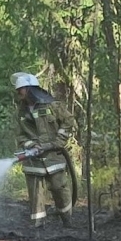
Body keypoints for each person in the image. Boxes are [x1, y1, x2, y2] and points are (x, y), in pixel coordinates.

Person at [10, 72, 77, 228]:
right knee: (36, 193)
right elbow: (19, 135)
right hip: (33, 161)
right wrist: (30, 145)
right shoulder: (21, 111)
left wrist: (58, 142)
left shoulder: (52, 105)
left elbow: (68, 121)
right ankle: (38, 225)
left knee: (59, 188)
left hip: (54, 157)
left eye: (21, 90)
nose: (19, 94)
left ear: (30, 89)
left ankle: (67, 219)